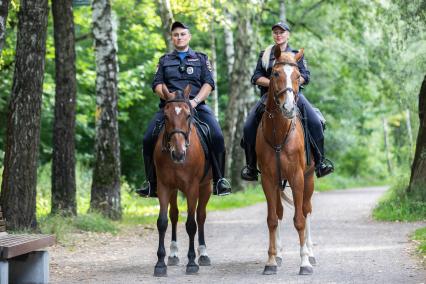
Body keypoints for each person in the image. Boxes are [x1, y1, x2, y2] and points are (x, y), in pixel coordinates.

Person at [137, 21, 232, 197]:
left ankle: (219, 180)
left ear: (189, 37)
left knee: (217, 136)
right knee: (147, 138)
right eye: (176, 35)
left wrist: (194, 101)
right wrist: (170, 99)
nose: (179, 37)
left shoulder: (201, 58)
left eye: (182, 34)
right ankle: (151, 183)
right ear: (172, 38)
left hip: (197, 107)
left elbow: (209, 84)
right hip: (170, 108)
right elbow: (157, 84)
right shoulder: (164, 60)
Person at [240, 22, 334, 181]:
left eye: (282, 32)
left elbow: (306, 76)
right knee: (248, 126)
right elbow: (256, 77)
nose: (278, 35)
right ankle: (251, 167)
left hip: (294, 95)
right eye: (276, 32)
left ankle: (320, 162)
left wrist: (290, 84)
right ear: (273, 35)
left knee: (316, 122)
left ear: (288, 35)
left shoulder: (297, 54)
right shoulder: (265, 54)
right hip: (268, 97)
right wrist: (276, 83)